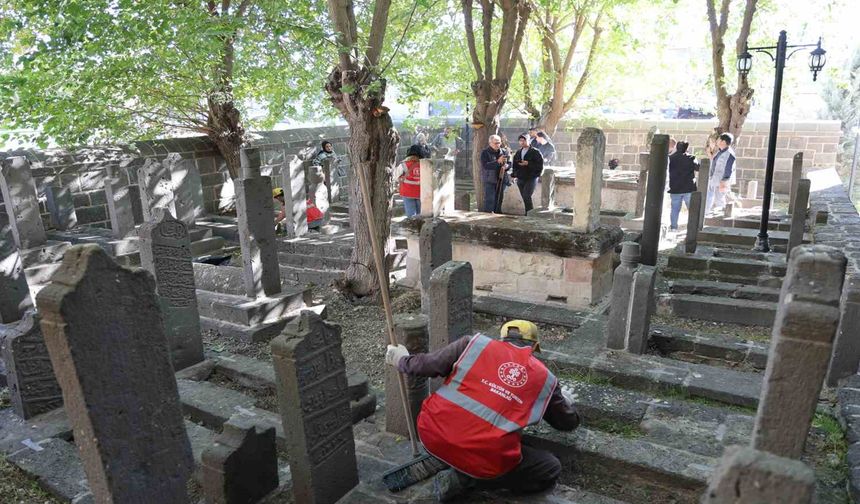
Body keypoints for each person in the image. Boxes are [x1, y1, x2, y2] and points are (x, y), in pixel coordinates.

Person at [385, 320, 580, 502]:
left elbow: (426, 365)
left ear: (501, 338)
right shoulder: (546, 379)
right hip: (484, 456)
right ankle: (466, 480)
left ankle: (451, 461)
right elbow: (567, 423)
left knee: (500, 443)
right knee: (550, 467)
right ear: (534, 346)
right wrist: (564, 401)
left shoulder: (472, 344)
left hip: (432, 433)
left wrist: (401, 359)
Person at [667, 141, 699, 231]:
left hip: (675, 188)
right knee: (692, 209)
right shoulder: (691, 158)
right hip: (688, 188)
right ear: (687, 148)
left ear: (676, 147)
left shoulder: (670, 158)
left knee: (674, 209)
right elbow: (698, 168)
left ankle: (673, 227)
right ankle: (692, 227)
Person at [512, 134, 544, 214]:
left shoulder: (535, 152)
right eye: (520, 141)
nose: (522, 142)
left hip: (531, 177)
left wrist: (528, 163)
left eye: (524, 140)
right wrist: (514, 175)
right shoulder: (518, 152)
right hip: (521, 177)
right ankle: (529, 212)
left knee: (527, 195)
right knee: (525, 197)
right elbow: (515, 165)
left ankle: (529, 213)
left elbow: (540, 166)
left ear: (529, 141)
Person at [706, 133, 736, 215]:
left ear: (723, 141)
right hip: (714, 178)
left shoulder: (729, 154)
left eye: (719, 139)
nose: (717, 141)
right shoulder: (719, 151)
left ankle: (721, 215)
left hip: (721, 180)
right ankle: (706, 213)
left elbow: (729, 169)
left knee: (719, 198)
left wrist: (724, 180)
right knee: (709, 196)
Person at [480, 135, 511, 213]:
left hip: (501, 178)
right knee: (490, 199)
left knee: (499, 199)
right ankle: (488, 214)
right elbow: (485, 166)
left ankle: (497, 214)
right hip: (490, 179)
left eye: (499, 143)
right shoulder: (485, 152)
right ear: (490, 143)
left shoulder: (504, 151)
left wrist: (507, 166)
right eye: (495, 143)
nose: (498, 145)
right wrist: (497, 162)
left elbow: (510, 163)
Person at [398, 145, 423, 217]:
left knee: (411, 216)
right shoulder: (424, 164)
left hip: (407, 192)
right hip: (420, 192)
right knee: (420, 215)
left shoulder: (403, 165)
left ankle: (412, 223)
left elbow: (396, 176)